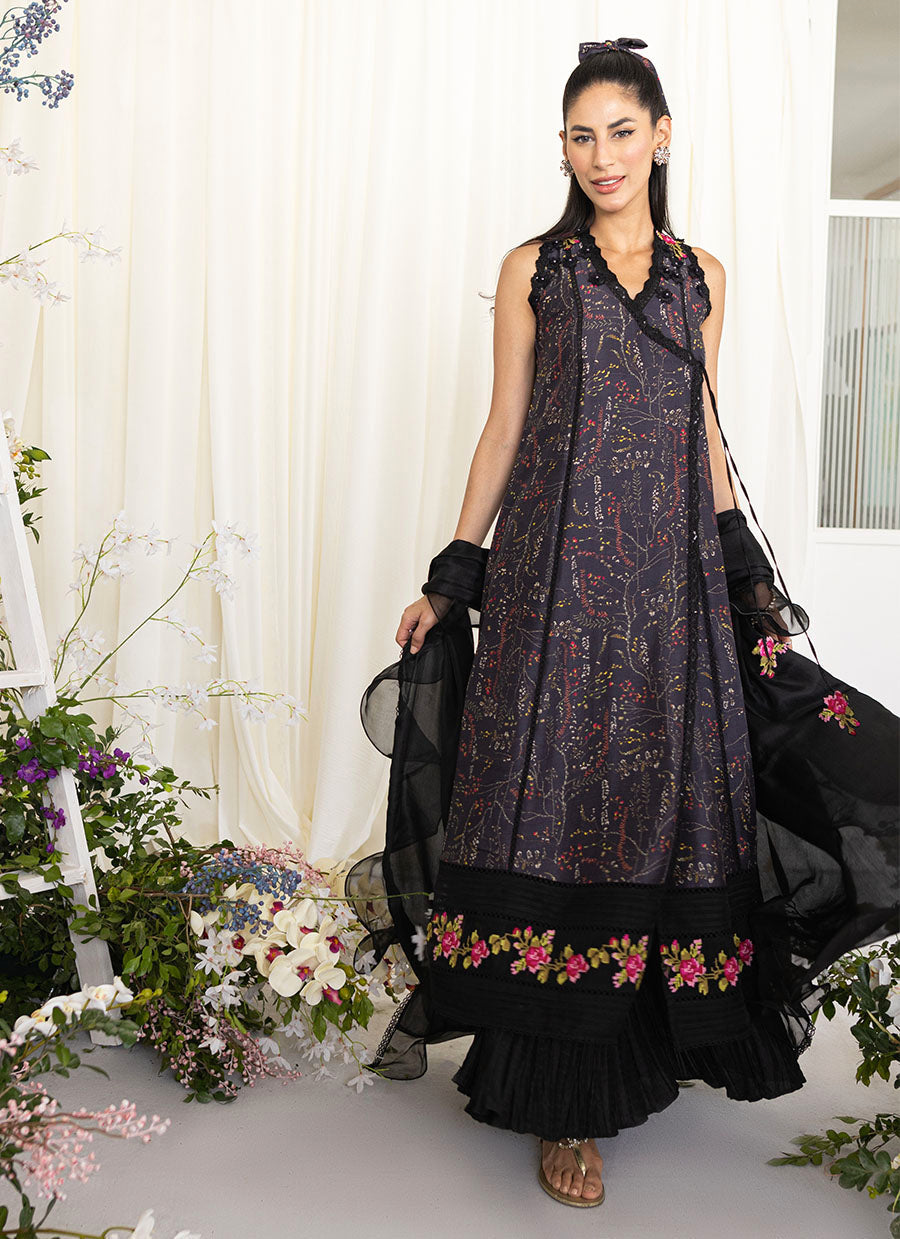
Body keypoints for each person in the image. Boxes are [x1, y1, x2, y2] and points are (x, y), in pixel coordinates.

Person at [346, 35, 899, 1211]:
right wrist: (452, 577)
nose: (602, 155)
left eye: (622, 132)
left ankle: (636, 1044)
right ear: (562, 148)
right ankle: (561, 1101)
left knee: (653, 818)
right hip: (550, 595)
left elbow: (701, 437)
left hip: (667, 597)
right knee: (558, 819)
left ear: (662, 136)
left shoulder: (703, 278)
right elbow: (505, 429)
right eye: (581, 137)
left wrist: (748, 584)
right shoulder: (536, 270)